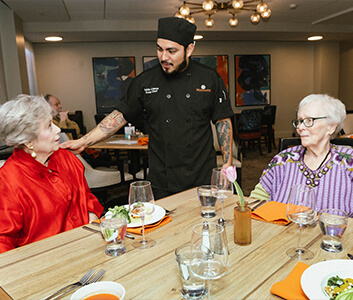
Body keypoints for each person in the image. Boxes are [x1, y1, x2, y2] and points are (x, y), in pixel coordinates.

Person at [61, 17, 234, 199]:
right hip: (162, 179)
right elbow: (120, 116)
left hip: (202, 176)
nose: (163, 57)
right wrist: (83, 141)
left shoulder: (210, 78)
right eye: (159, 49)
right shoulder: (144, 81)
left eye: (171, 51)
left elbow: (222, 121)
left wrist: (227, 163)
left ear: (189, 49)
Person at [0, 95, 103, 253]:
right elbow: (3, 240)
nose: (58, 129)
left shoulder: (66, 157)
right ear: (28, 140)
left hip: (87, 248)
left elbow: (87, 197)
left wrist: (91, 215)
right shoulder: (7, 181)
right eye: (49, 126)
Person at [250, 94, 353, 214]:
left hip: (334, 232)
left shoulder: (349, 161)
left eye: (309, 120)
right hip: (284, 231)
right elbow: (255, 201)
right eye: (299, 121)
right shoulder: (283, 159)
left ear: (331, 127)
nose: (300, 127)